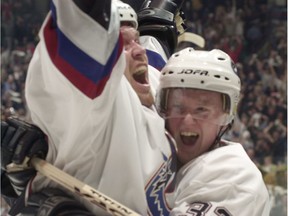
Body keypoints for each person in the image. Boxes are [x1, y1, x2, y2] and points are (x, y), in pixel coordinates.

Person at [1, 0, 183, 215]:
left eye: (136, 40)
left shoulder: (154, 79)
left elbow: (154, 42)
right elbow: (85, 21)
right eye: (121, 45)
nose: (138, 51)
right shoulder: (96, 102)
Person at [153, 47, 271, 215]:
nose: (187, 120)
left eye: (201, 110)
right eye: (178, 107)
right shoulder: (160, 158)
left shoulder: (236, 180)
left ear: (224, 117)